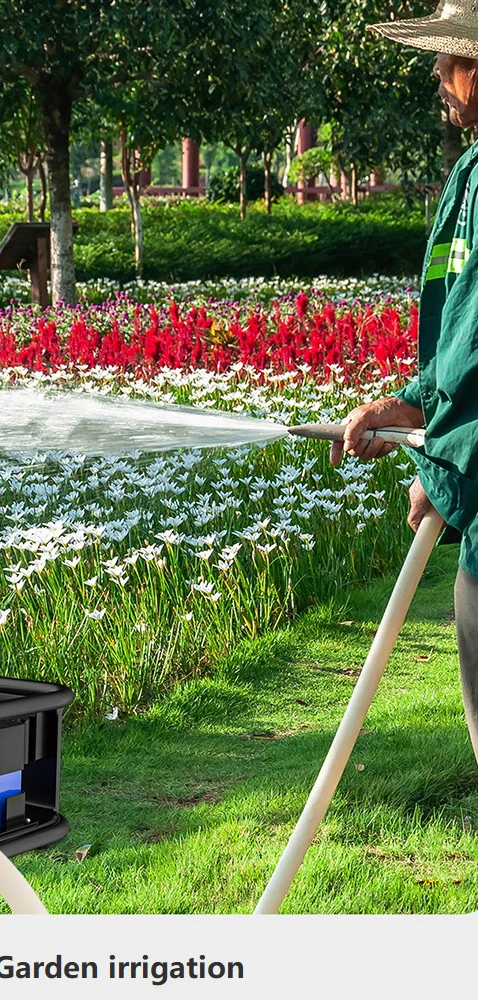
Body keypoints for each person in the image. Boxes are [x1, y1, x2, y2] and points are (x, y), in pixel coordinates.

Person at [333, 6, 478, 762]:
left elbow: (475, 352)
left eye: (445, 62)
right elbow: (459, 334)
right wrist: (412, 409)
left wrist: (443, 464)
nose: (436, 78)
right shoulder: (471, 173)